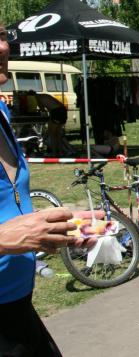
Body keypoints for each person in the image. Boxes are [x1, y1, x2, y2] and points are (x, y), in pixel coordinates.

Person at [0, 22, 101, 356]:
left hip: (18, 307)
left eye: (1, 36)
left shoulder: (1, 111)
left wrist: (57, 226)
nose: (2, 47)